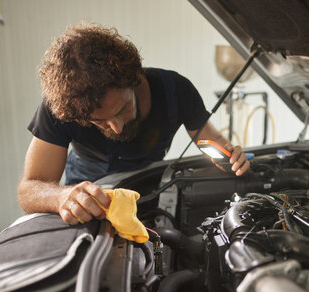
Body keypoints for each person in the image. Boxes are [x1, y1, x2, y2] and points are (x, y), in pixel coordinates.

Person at [17, 23, 250, 225]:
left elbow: (210, 142)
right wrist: (60, 197)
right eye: (99, 121)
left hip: (147, 185)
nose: (116, 127)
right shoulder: (62, 106)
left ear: (135, 78)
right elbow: (29, 189)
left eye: (122, 109)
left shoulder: (177, 91)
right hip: (88, 191)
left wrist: (229, 157)